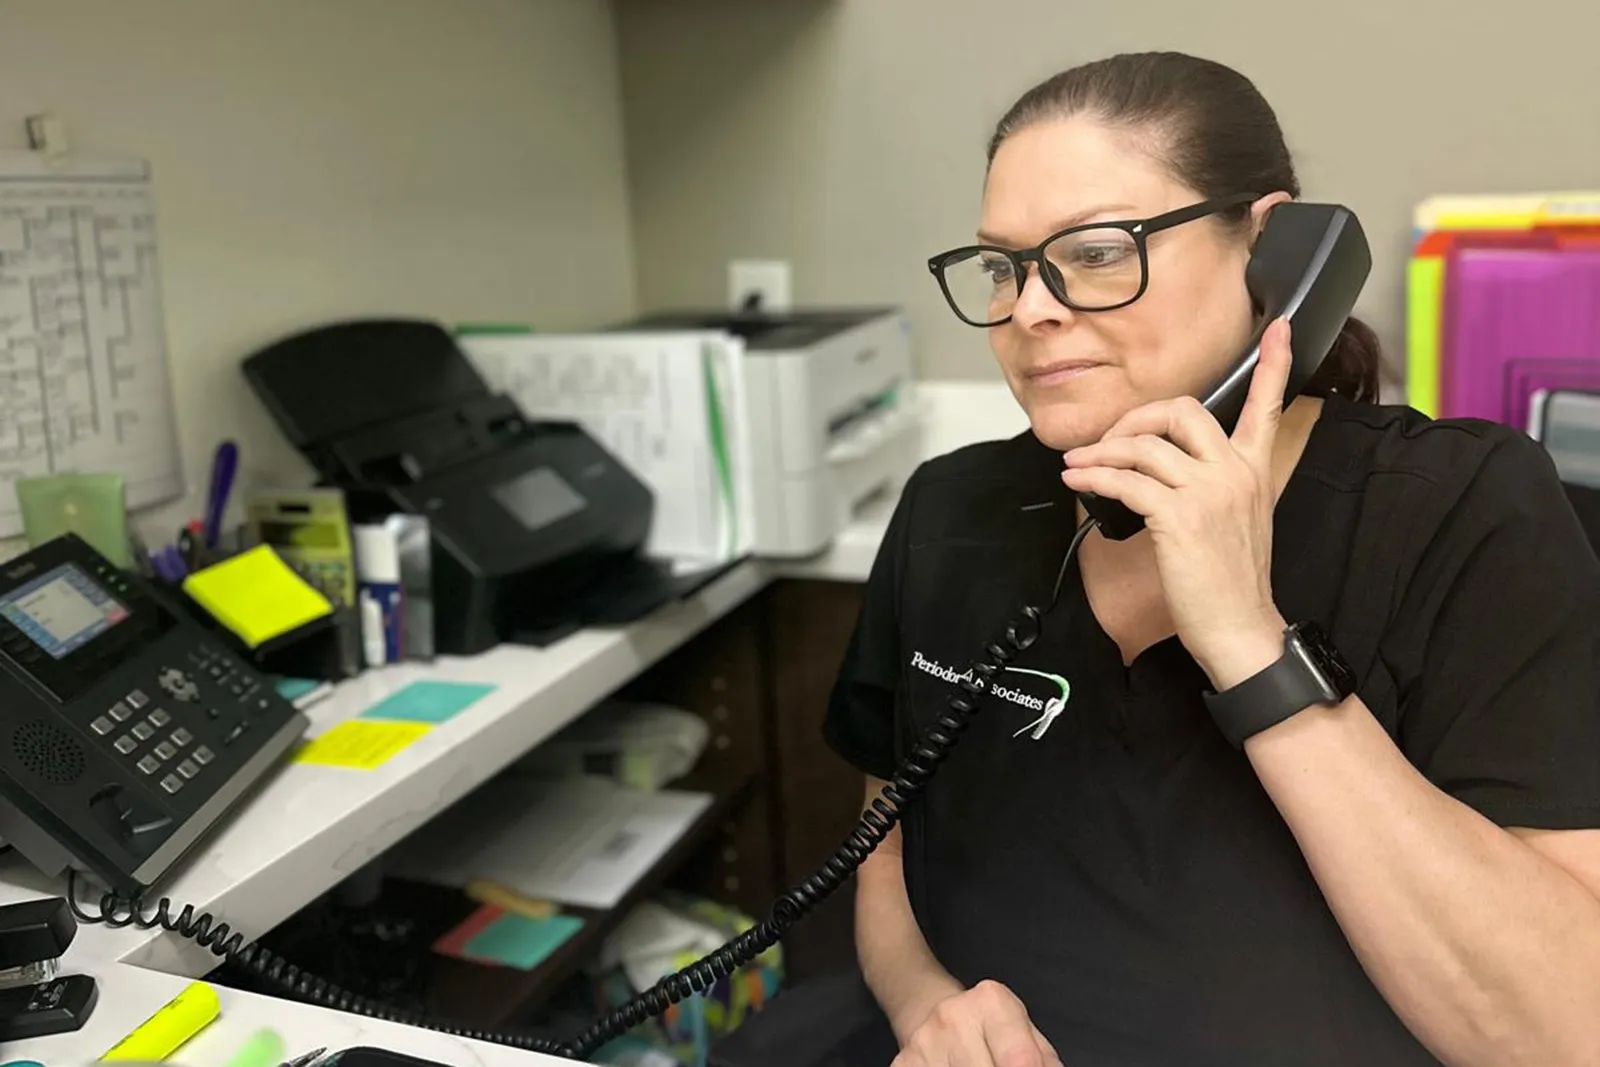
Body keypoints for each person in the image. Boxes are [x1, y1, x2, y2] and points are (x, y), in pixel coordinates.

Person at [822, 51, 1600, 1067]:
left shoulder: (1459, 512)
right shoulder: (948, 510)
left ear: (1271, 249)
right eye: (1003, 267)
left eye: (1096, 251)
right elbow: (883, 847)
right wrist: (928, 1006)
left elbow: (1564, 1027)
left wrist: (1247, 638)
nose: (1030, 310)